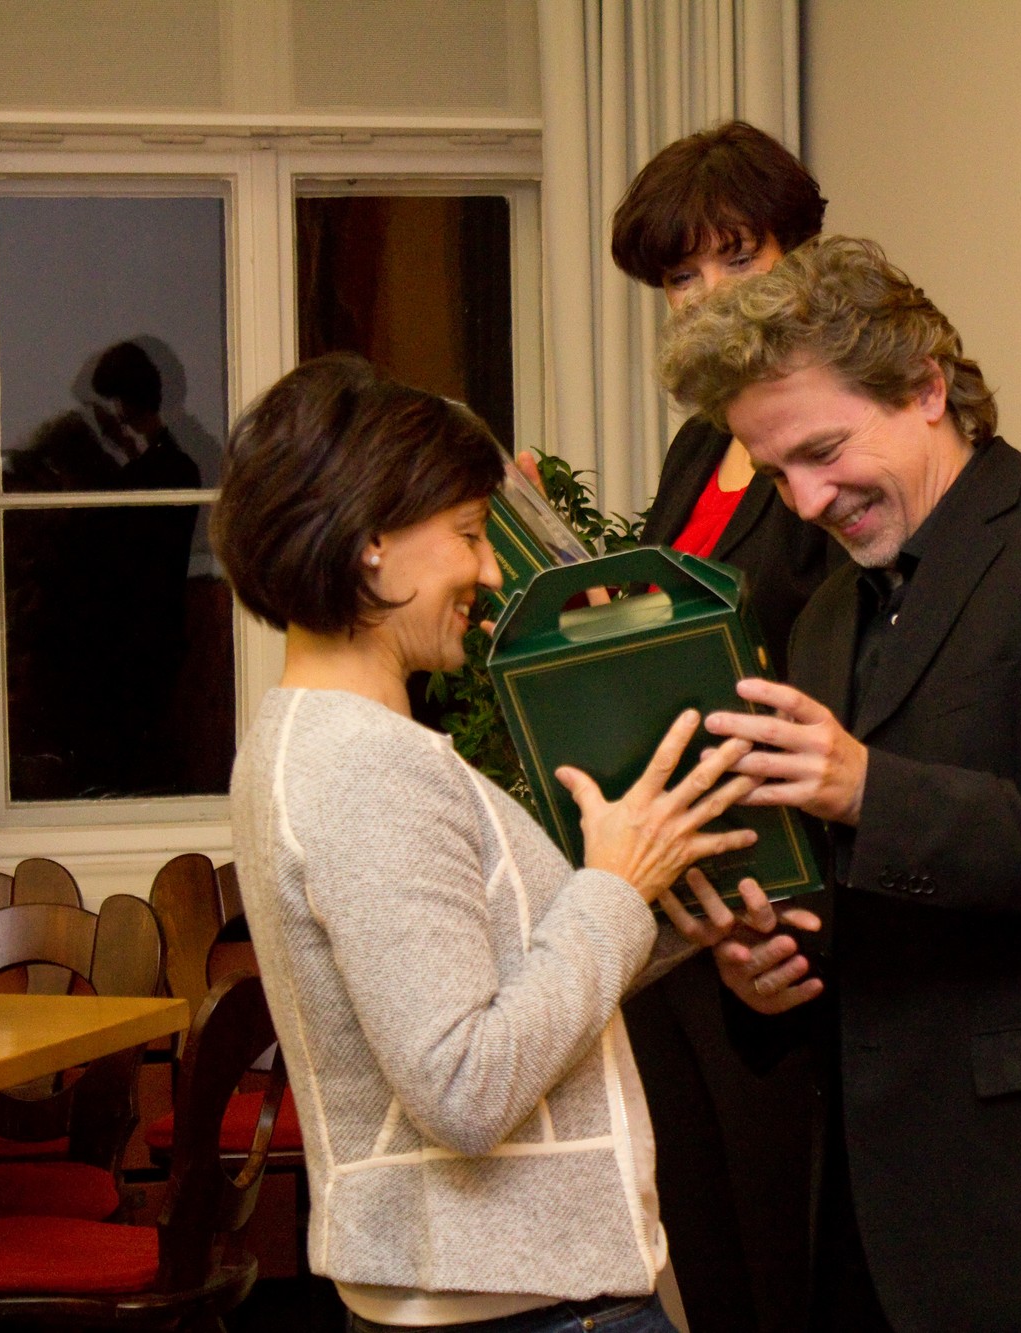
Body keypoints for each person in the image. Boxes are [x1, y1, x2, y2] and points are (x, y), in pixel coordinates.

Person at [659, 236, 1021, 1331]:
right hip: (853, 1218)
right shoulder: (829, 612)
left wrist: (874, 791)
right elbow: (855, 898)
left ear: (924, 387)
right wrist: (764, 970)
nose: (805, 501)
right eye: (775, 474)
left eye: (823, 451)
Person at [213, 353, 767, 1333]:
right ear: (372, 542)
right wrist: (614, 888)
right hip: (518, 1308)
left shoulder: (309, 741)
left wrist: (673, 915)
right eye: (469, 534)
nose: (492, 570)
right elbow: (464, 1084)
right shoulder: (364, 763)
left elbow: (498, 977)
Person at [606, 119, 841, 1333]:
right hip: (672, 891)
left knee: (786, 1258)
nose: (705, 294)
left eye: (735, 257)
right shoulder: (703, 441)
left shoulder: (836, 438)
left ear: (803, 253)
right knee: (702, 1246)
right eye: (679, 275)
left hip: (779, 896)